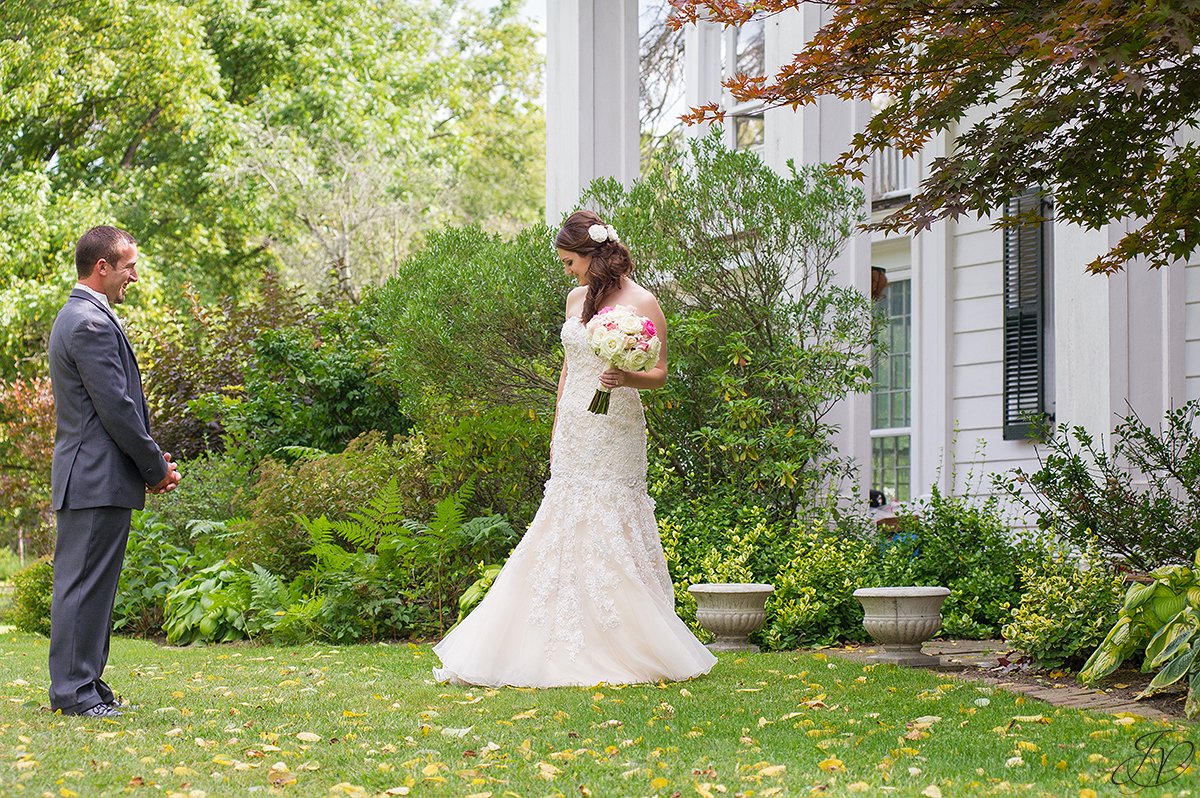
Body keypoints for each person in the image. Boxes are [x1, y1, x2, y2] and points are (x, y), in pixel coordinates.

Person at [432, 210, 716, 687]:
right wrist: (559, 419)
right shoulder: (575, 299)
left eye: (569, 261)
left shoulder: (644, 301)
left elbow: (661, 373)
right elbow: (569, 366)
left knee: (610, 516)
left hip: (617, 428)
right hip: (577, 428)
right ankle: (553, 638)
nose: (567, 270)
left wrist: (626, 376)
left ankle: (626, 642)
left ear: (592, 255)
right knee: (564, 515)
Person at [47, 225, 181, 717]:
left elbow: (115, 410)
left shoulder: (83, 317)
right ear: (101, 267)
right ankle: (74, 693)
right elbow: (117, 410)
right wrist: (153, 466)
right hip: (93, 478)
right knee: (82, 587)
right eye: (129, 267)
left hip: (96, 476)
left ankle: (88, 684)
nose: (136, 276)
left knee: (92, 588)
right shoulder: (88, 323)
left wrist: (150, 461)